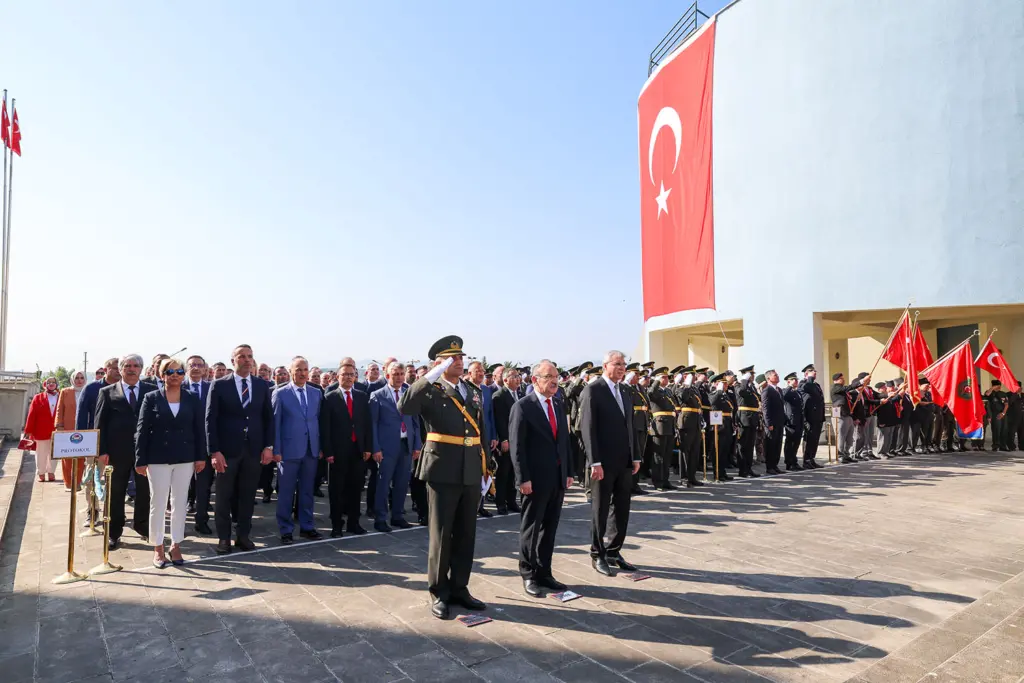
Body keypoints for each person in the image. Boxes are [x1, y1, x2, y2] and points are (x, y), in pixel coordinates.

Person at [398, 335, 487, 620]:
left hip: (470, 469)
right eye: (452, 359)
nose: (459, 362)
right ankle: (439, 591)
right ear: (440, 363)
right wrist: (430, 375)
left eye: (460, 357)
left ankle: (460, 587)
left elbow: (479, 430)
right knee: (442, 534)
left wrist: (486, 466)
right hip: (442, 469)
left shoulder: (472, 390)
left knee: (466, 533)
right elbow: (405, 406)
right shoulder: (431, 390)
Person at [509, 360, 574, 597]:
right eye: (549, 377)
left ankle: (544, 572)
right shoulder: (523, 406)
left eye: (556, 377)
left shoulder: (557, 403)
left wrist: (568, 471)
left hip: (556, 477)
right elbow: (517, 447)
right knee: (531, 527)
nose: (555, 381)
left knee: (550, 527)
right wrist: (522, 479)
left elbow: (564, 441)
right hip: (534, 479)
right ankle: (528, 574)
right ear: (535, 380)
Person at [135, 358, 207, 568]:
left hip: (185, 457)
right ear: (162, 375)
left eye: (179, 371)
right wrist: (140, 459)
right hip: (157, 458)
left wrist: (200, 456)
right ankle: (158, 546)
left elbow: (199, 429)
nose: (174, 375)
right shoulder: (151, 398)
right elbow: (141, 430)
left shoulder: (192, 398)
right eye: (169, 372)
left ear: (184, 375)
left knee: (180, 502)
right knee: (158, 502)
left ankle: (176, 545)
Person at [206, 344, 275, 554]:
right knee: (224, 496)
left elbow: (268, 418)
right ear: (233, 360)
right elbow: (210, 420)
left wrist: (268, 446)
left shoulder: (261, 385)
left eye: (250, 356)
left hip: (253, 450)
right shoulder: (219, 385)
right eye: (242, 356)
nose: (247, 360)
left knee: (247, 495)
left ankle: (243, 536)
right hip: (227, 451)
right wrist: (214, 451)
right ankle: (224, 538)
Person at [579, 350, 640, 577]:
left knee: (622, 508)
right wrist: (594, 461)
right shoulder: (593, 390)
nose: (622, 368)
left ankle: (614, 551)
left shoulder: (624, 390)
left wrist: (635, 456)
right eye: (617, 364)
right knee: (601, 508)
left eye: (624, 364)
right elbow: (587, 429)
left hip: (624, 460)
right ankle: (598, 553)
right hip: (602, 462)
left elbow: (630, 426)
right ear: (605, 366)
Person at [96, 354, 156, 549]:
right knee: (115, 492)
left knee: (145, 491)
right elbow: (100, 424)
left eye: (135, 366)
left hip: (144, 452)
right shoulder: (107, 392)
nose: (131, 369)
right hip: (116, 452)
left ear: (141, 369)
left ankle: (143, 526)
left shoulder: (152, 390)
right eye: (127, 366)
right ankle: (113, 532)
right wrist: (102, 450)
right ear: (120, 369)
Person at [271, 356, 323, 544]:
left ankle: (307, 526)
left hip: (311, 450)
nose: (302, 373)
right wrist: (276, 449)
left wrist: (320, 447)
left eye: (305, 370)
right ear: (291, 371)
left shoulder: (316, 393)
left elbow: (318, 421)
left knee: (307, 491)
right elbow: (275, 424)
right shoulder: (280, 394)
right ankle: (285, 529)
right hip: (288, 451)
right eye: (298, 370)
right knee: (286, 492)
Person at [321, 360, 373, 537]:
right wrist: (328, 451)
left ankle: (354, 523)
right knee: (336, 490)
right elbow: (325, 428)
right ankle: (337, 525)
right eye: (345, 374)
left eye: (352, 374)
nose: (349, 377)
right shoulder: (330, 398)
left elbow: (367, 425)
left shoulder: (362, 396)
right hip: (337, 452)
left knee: (356, 488)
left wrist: (368, 447)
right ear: (338, 376)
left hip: (358, 450)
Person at [369, 361, 422, 532]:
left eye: (401, 374)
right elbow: (373, 425)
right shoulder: (377, 395)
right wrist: (376, 448)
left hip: (406, 445)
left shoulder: (409, 394)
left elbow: (415, 423)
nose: (399, 377)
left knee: (402, 483)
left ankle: (397, 516)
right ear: (387, 376)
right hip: (386, 447)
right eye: (395, 374)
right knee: (383, 484)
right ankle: (380, 518)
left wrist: (417, 445)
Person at [491, 367, 522, 515]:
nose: (518, 379)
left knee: (513, 473)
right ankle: (500, 503)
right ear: (505, 380)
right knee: (503, 473)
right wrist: (504, 439)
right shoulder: (499, 396)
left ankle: (511, 501)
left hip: (518, 440)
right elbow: (500, 420)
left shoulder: (519, 394)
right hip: (506, 440)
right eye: (514, 376)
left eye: (518, 376)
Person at [55, 370, 88, 490]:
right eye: (77, 378)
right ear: (72, 379)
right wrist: (59, 425)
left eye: (82, 378)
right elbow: (59, 409)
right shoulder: (65, 392)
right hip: (67, 428)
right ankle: (68, 482)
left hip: (84, 428)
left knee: (81, 456)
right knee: (67, 457)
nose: (79, 380)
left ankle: (78, 482)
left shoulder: (88, 391)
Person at [646, 367, 678, 491]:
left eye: (666, 377)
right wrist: (656, 381)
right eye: (663, 377)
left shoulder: (668, 391)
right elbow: (650, 394)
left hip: (670, 425)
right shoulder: (654, 390)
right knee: (658, 455)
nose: (666, 379)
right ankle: (658, 482)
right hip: (660, 425)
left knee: (667, 455)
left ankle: (665, 480)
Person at [25, 376, 60, 483]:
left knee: (54, 453)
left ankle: (51, 472)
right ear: (45, 384)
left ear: (56, 384)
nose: (51, 384)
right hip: (41, 430)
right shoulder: (38, 397)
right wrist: (28, 430)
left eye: (53, 382)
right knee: (41, 453)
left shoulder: (61, 396)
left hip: (57, 430)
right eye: (49, 382)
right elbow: (32, 414)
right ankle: (41, 472)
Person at [797, 364, 825, 469]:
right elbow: (809, 389)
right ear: (806, 374)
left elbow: (820, 401)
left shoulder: (816, 385)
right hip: (809, 417)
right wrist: (809, 378)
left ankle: (812, 458)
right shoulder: (803, 384)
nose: (815, 373)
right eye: (812, 371)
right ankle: (806, 460)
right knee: (809, 439)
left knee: (815, 440)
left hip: (817, 417)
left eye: (815, 371)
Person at [760, 370, 786, 475]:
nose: (777, 376)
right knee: (770, 445)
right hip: (771, 423)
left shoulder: (779, 390)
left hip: (779, 422)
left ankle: (775, 465)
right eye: (775, 375)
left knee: (777, 445)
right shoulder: (767, 390)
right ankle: (770, 467)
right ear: (768, 378)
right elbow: (765, 409)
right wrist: (768, 423)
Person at [780, 372, 805, 472]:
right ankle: (789, 462)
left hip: (799, 420)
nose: (796, 381)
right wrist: (789, 386)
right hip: (791, 421)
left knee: (796, 443)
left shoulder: (797, 392)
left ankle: (794, 461)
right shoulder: (786, 391)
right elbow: (784, 396)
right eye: (793, 380)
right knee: (790, 443)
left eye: (796, 379)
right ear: (788, 381)